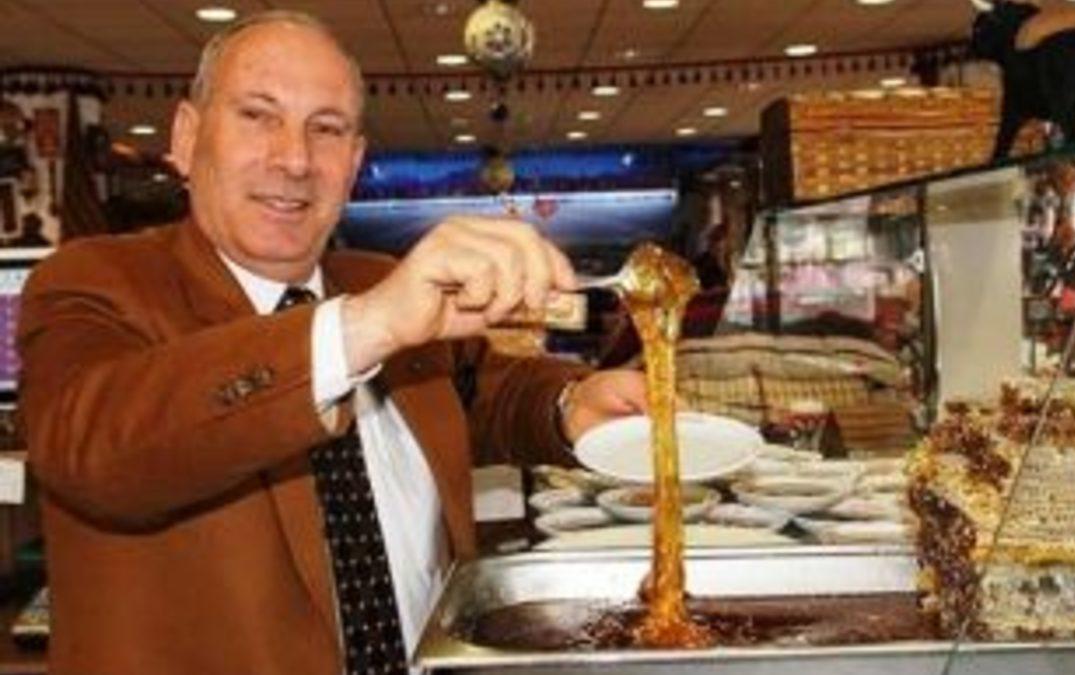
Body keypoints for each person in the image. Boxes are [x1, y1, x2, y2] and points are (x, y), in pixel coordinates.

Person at [17, 11, 647, 675]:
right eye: (258, 116)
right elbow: (91, 448)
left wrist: (569, 403)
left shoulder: (373, 278)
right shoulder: (93, 281)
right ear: (187, 136)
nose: (294, 159)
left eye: (326, 129)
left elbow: (482, 389)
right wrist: (363, 328)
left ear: (353, 162)